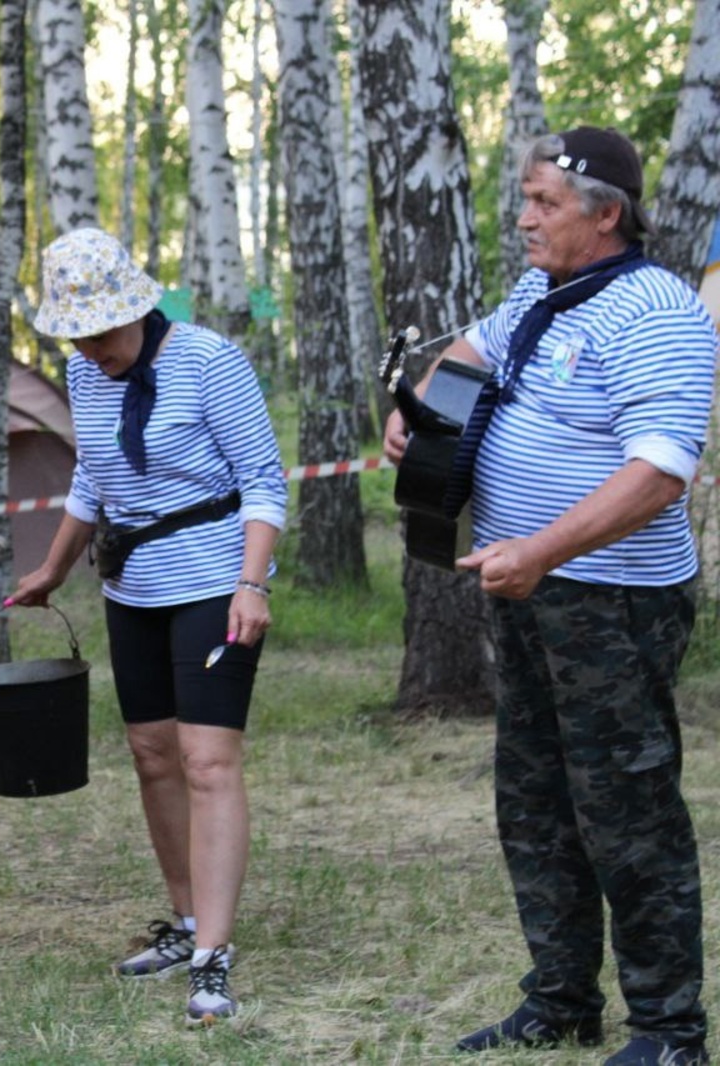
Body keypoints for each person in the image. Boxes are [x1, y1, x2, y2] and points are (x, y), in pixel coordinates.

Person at [384, 127, 713, 1066]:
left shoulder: (656, 312)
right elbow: (464, 360)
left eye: (544, 205)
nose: (524, 220)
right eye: (524, 200)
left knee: (628, 808)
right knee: (535, 801)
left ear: (606, 216)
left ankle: (668, 1029)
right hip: (526, 589)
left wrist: (539, 549)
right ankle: (562, 1000)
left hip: (608, 601)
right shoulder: (543, 292)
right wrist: (415, 419)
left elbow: (659, 473)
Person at [7, 228, 286, 1026]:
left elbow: (264, 482)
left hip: (214, 581)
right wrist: (54, 569)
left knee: (207, 761)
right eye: (78, 336)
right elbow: (94, 476)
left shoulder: (208, 361)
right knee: (153, 754)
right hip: (132, 587)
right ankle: (185, 919)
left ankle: (214, 956)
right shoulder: (85, 372)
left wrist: (252, 583)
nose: (91, 350)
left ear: (138, 308)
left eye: (102, 334)